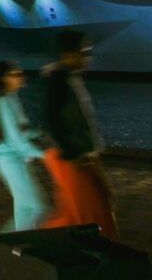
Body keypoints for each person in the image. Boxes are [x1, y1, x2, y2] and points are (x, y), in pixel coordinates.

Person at [42, 30, 119, 239]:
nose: (88, 58)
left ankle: (36, 248)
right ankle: (32, 246)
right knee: (90, 212)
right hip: (68, 156)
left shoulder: (71, 78)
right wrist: (73, 153)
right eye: (84, 53)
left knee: (83, 210)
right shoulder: (59, 80)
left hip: (80, 155)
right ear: (67, 54)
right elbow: (52, 119)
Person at [0, 61, 47, 232]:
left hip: (13, 158)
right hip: (11, 159)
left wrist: (38, 133)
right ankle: (11, 247)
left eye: (21, 73)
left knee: (26, 208)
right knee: (35, 208)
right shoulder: (3, 101)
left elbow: (18, 134)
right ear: (4, 79)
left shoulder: (11, 98)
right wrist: (46, 155)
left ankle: (3, 246)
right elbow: (16, 140)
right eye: (16, 74)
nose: (21, 77)